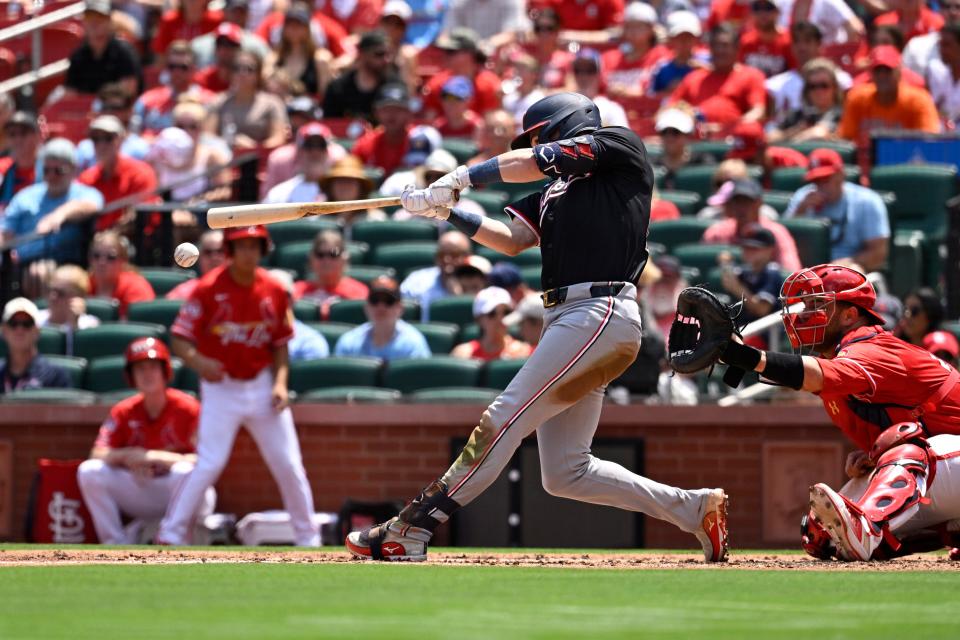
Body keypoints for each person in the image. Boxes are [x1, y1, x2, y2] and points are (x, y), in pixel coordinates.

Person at [346, 91, 729, 563]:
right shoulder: (554, 192)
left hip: (600, 308)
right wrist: (447, 211)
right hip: (569, 320)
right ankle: (693, 509)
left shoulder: (617, 146)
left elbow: (533, 160)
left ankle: (414, 526)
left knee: (503, 418)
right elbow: (512, 239)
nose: (536, 142)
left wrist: (462, 177)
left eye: (539, 133)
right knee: (567, 471)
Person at [684, 264, 960, 561]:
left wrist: (749, 357)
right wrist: (871, 457)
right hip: (947, 468)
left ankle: (867, 527)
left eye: (818, 305)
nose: (803, 314)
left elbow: (815, 376)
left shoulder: (871, 345)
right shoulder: (839, 356)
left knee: (901, 463)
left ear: (849, 315)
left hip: (945, 457)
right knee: (824, 535)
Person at [157, 225, 319, 547]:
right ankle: (171, 532)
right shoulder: (207, 288)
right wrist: (201, 363)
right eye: (241, 246)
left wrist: (281, 384)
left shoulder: (273, 289)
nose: (248, 253)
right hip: (221, 387)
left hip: (261, 385)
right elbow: (179, 340)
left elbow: (280, 345)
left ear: (262, 249)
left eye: (254, 246)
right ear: (230, 251)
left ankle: (308, 537)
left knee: (288, 463)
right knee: (210, 461)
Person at [77, 338, 215, 544]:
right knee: (89, 470)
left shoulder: (189, 408)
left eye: (152, 367)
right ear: (131, 375)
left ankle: (175, 537)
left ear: (165, 371)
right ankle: (114, 543)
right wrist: (128, 457)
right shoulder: (124, 410)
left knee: (184, 472)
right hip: (142, 487)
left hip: (182, 492)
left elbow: (206, 460)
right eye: (140, 368)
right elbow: (97, 453)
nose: (147, 374)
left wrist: (152, 457)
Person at [1, 138, 104, 290]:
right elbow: (5, 231)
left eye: (58, 171)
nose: (51, 176)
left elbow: (92, 205)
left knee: (41, 273)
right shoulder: (26, 196)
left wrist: (59, 215)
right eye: (46, 170)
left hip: (65, 262)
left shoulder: (84, 193)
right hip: (20, 263)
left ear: (74, 169)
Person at [783, 149, 890, 272]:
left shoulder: (867, 201)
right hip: (808, 272)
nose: (820, 186)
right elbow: (782, 243)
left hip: (851, 273)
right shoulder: (803, 197)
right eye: (816, 181)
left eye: (825, 180)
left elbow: (878, 254)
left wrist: (848, 263)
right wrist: (800, 212)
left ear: (841, 175)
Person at [669, 23, 767, 128]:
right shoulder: (694, 78)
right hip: (695, 140)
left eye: (725, 45)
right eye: (715, 45)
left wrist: (725, 129)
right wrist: (684, 113)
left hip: (734, 140)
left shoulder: (751, 76)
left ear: (737, 48)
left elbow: (758, 112)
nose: (720, 50)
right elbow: (671, 108)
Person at [837, 45, 941, 144]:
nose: (882, 76)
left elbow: (929, 141)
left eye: (887, 70)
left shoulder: (918, 100)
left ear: (899, 71)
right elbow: (845, 138)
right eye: (878, 71)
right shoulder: (857, 98)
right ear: (870, 74)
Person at [77, 115, 158, 232]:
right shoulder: (87, 178)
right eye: (95, 139)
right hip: (94, 242)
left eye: (108, 138)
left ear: (121, 140)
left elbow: (145, 216)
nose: (101, 145)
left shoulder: (140, 173)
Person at [702, 178, 802, 272]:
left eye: (747, 201)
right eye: (737, 201)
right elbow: (703, 268)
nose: (741, 207)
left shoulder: (775, 233)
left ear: (759, 203)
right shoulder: (717, 232)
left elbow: (791, 271)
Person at [334, 275, 432, 360]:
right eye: (375, 301)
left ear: (400, 309)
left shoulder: (413, 343)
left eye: (388, 301)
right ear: (366, 307)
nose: (381, 307)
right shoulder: (350, 342)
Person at [211, 49, 289, 151]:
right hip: (223, 158)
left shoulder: (272, 103)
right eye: (237, 68)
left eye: (249, 69)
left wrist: (254, 147)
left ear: (258, 74)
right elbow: (208, 137)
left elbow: (279, 138)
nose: (242, 73)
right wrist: (228, 144)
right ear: (230, 73)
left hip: (259, 161)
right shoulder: (218, 102)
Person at [766, 22, 853, 114]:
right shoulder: (775, 85)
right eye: (797, 42)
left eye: (808, 41)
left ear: (819, 46)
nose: (802, 47)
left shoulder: (841, 80)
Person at [133, 41, 216, 136]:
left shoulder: (208, 101)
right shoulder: (148, 100)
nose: (177, 72)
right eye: (172, 67)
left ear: (193, 69)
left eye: (183, 67)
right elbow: (134, 136)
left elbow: (210, 139)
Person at [64, 0, 141, 97]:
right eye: (89, 17)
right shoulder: (78, 56)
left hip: (116, 110)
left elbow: (128, 92)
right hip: (85, 111)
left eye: (100, 17)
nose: (94, 23)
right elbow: (70, 94)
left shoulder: (124, 52)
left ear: (109, 21)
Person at [421, 28, 502, 118]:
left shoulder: (488, 84)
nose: (445, 55)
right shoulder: (437, 83)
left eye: (451, 52)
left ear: (470, 54)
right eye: (445, 51)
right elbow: (430, 121)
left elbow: (491, 123)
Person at [322, 30, 398, 121]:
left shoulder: (395, 86)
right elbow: (331, 124)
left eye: (388, 54)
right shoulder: (338, 88)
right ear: (362, 55)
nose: (386, 60)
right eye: (379, 54)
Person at [717, 224, 784, 326]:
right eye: (746, 247)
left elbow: (762, 309)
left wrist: (737, 288)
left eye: (755, 248)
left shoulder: (771, 273)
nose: (748, 252)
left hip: (765, 333)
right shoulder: (746, 271)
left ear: (769, 250)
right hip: (746, 329)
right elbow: (728, 279)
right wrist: (725, 264)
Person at [0, 298, 70, 394]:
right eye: (13, 323)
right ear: (4, 330)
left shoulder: (55, 376)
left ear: (37, 331)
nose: (20, 330)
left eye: (27, 324)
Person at [264, 3, 334, 98]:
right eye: (290, 24)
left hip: (310, 111)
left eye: (299, 24)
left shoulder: (320, 59)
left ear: (307, 28)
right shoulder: (274, 58)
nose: (294, 28)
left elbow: (326, 96)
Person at [292, 230, 369, 317]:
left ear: (345, 258)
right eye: (320, 254)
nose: (326, 260)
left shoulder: (358, 292)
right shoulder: (296, 290)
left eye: (333, 254)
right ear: (311, 258)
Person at [602, 2, 670, 98]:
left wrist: (628, 91)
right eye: (629, 27)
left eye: (638, 27)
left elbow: (660, 89)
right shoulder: (609, 58)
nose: (633, 32)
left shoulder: (661, 55)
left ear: (651, 29)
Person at [768, 58, 846, 143]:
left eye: (824, 85)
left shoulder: (841, 114)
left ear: (834, 88)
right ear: (806, 90)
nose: (818, 91)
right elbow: (770, 138)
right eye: (812, 86)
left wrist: (795, 137)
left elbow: (819, 134)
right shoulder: (798, 114)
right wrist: (793, 131)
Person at [400, 230, 472, 320]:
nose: (447, 260)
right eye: (441, 255)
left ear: (468, 256)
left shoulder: (479, 281)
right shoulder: (416, 281)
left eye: (454, 255)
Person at [452, 286, 533, 361]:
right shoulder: (463, 354)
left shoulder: (524, 352)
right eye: (492, 313)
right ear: (478, 319)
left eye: (506, 312)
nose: (500, 319)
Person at [87, 231, 156, 318]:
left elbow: (141, 323)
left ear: (123, 261)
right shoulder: (82, 284)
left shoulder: (136, 286)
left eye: (111, 257)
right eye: (96, 256)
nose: (102, 262)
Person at [351, 82, 415, 176]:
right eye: (386, 110)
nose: (391, 115)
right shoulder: (365, 145)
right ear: (376, 113)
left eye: (398, 110)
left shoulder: (419, 140)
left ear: (408, 113)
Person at [267, 270, 330, 361]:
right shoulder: (245, 338)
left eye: (281, 295)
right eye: (268, 294)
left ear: (292, 300)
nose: (274, 300)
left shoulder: (309, 341)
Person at [37, 265, 101, 355]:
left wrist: (74, 326)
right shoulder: (34, 320)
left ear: (79, 297)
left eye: (61, 293)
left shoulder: (89, 325)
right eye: (51, 290)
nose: (52, 297)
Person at [264, 122, 332, 204]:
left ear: (327, 152)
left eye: (321, 146)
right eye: (309, 146)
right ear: (299, 151)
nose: (315, 152)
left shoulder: (341, 191)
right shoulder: (279, 193)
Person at [650, 10, 705, 95]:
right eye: (679, 37)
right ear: (670, 40)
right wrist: (669, 92)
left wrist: (706, 70)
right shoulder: (662, 68)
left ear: (696, 38)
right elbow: (651, 96)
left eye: (688, 37)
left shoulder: (709, 60)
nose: (684, 41)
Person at [570, 49, 629, 127]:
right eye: (578, 70)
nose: (583, 76)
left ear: (599, 73)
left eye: (590, 70)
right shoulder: (565, 105)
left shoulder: (611, 108)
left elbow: (624, 138)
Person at [902, 0, 960, 76]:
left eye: (958, 7)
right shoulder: (916, 45)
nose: (953, 12)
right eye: (947, 6)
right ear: (939, 10)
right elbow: (904, 78)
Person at [739, 0, 795, 77]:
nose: (763, 13)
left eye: (768, 8)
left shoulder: (789, 41)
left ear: (778, 12)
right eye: (757, 8)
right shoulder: (745, 40)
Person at [773, 0, 864, 46]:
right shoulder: (783, 2)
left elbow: (854, 28)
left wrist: (839, 53)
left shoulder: (828, 2)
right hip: (791, 60)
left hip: (824, 64)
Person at [152, 0, 223, 59]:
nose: (192, 1)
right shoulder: (169, 21)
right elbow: (161, 54)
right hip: (177, 69)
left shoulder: (216, 21)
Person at [167, 230, 225, 300]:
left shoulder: (240, 288)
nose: (214, 257)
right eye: (208, 252)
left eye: (220, 251)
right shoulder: (185, 291)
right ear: (200, 258)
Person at [0, 112, 41, 210]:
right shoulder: (2, 167)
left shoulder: (50, 168)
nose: (17, 139)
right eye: (12, 134)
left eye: (23, 133)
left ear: (37, 136)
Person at [193, 23, 243, 94]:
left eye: (230, 44)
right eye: (220, 44)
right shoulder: (203, 78)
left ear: (239, 49)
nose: (224, 50)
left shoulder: (246, 79)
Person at [441, 0, 528, 40]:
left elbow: (512, 33)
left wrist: (487, 45)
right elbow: (448, 32)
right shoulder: (459, 2)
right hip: (468, 53)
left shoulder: (511, 1)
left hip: (502, 56)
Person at [927, 23, 960, 125]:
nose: (942, 50)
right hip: (938, 137)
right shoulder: (935, 72)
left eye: (947, 45)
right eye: (940, 45)